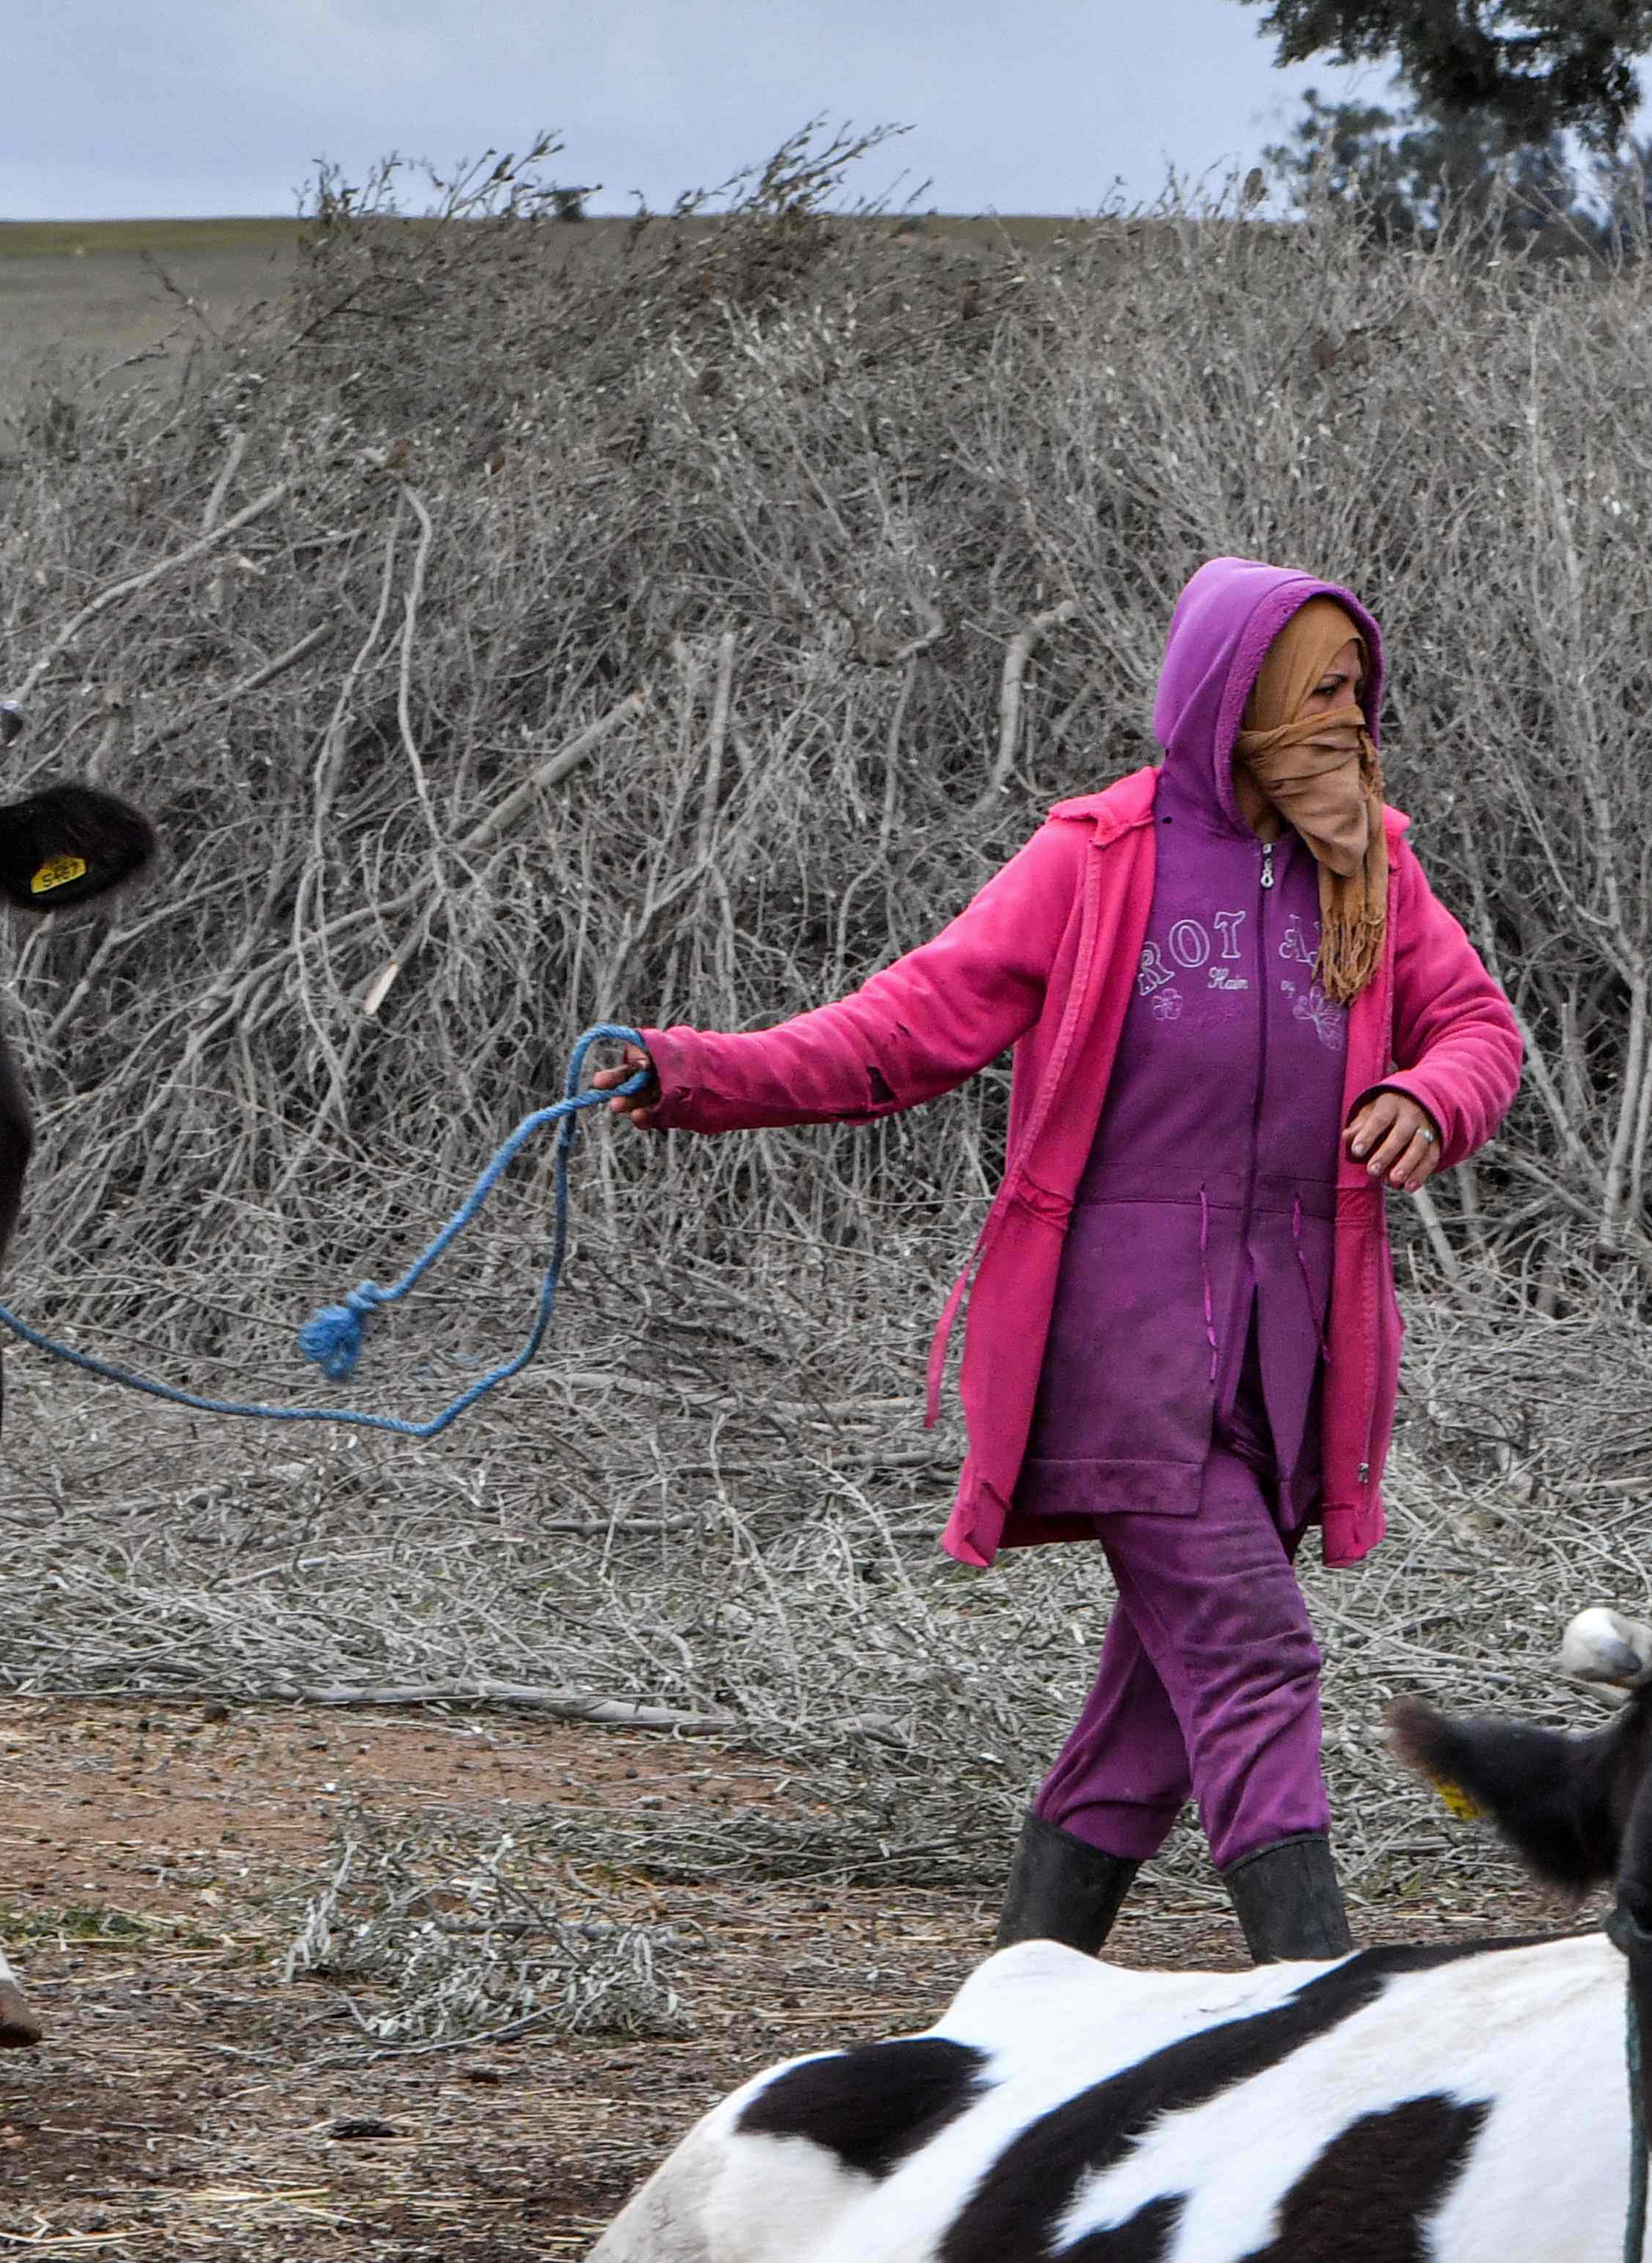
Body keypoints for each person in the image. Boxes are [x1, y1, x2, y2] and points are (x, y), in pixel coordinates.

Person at [588, 558, 1527, 1966]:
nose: (1351, 719)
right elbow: (896, 1031)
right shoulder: (1096, 860)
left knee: (1152, 1718)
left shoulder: (1369, 864)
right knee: (1257, 1655)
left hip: (1291, 1364)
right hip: (1126, 1357)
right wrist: (689, 1072)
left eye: (1360, 691)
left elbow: (1479, 1030)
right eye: (1322, 689)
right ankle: (1324, 2000)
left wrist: (1430, 1096)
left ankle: (1014, 2012)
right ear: (1239, 693)